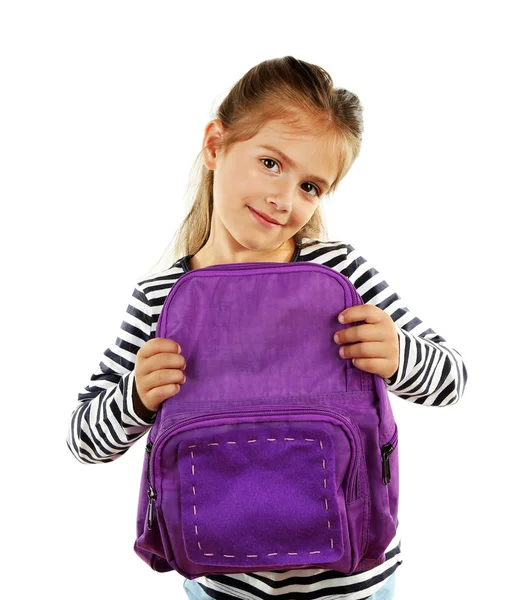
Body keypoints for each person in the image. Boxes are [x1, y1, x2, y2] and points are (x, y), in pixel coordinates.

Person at [66, 56, 468, 600]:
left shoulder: (340, 272)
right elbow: (83, 440)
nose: (286, 199)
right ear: (215, 145)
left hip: (352, 580)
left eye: (311, 186)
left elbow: (453, 380)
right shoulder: (160, 297)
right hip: (222, 583)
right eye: (271, 163)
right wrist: (137, 397)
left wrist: (398, 355)